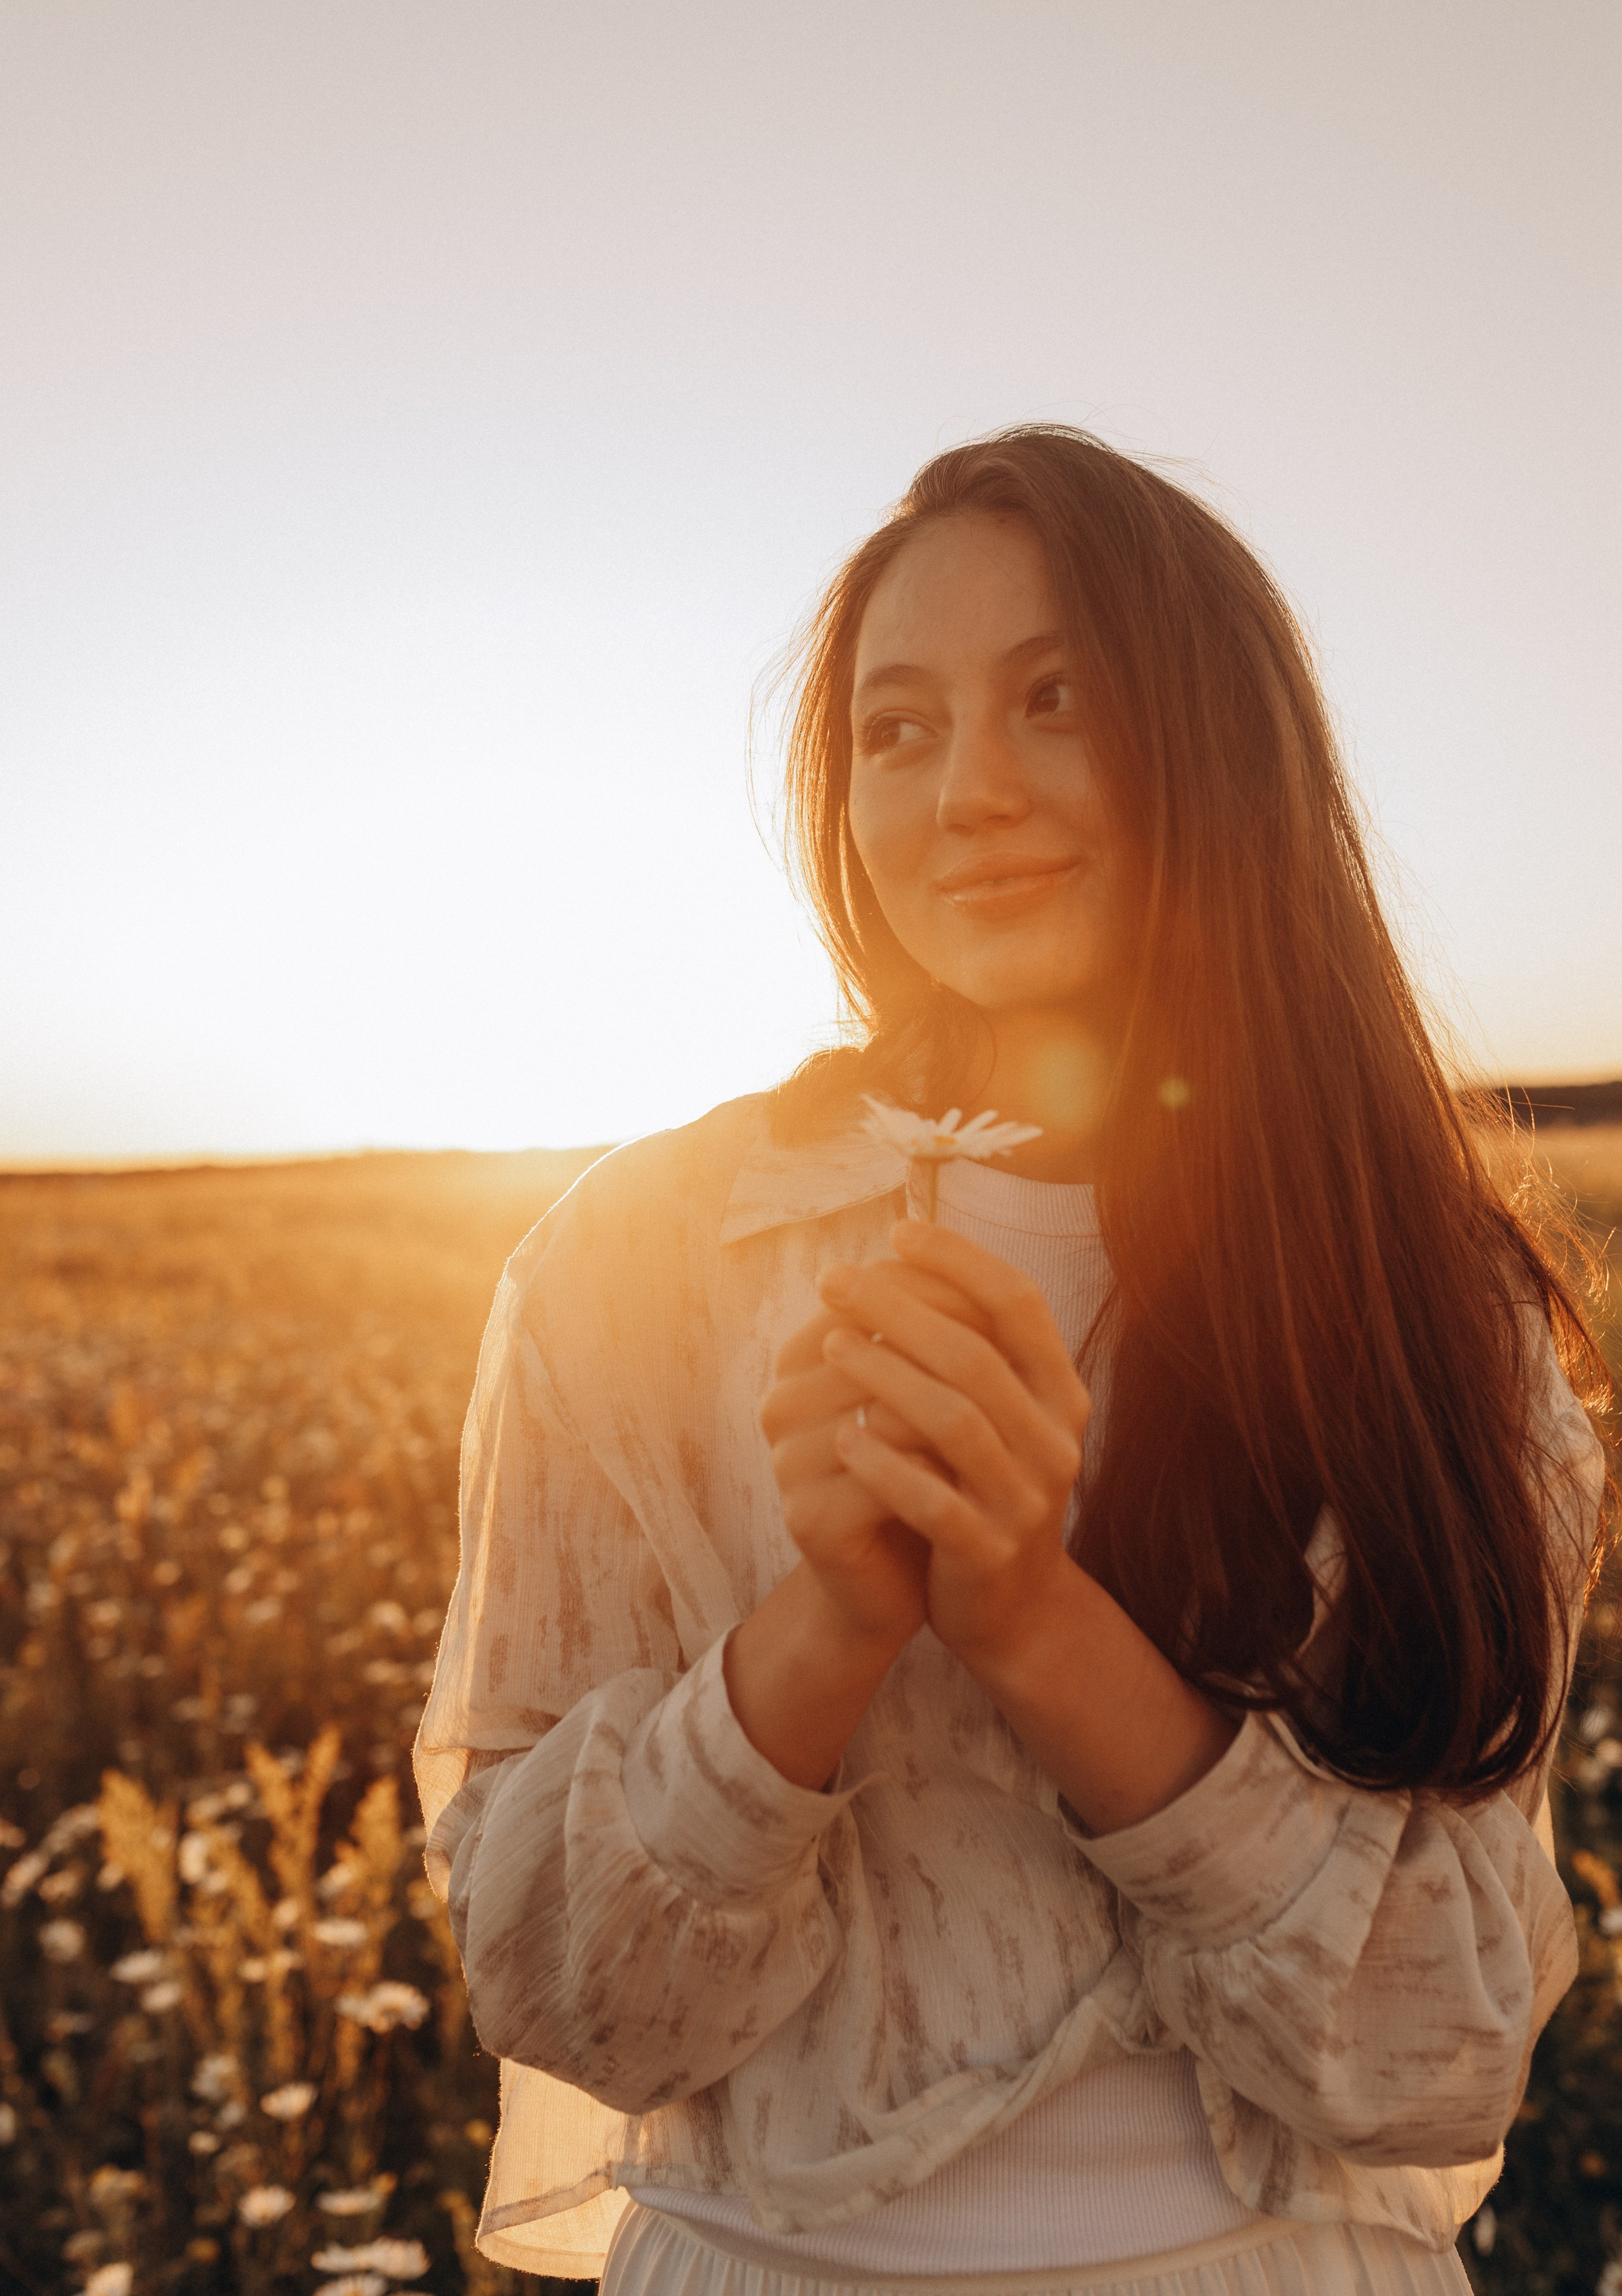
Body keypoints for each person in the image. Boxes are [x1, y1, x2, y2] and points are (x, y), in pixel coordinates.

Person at [416, 426, 1609, 2296]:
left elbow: (1435, 2051)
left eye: (1056, 699)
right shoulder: (635, 1262)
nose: (968, 789)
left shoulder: (1422, 1301)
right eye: (897, 729)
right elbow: (567, 1998)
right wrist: (821, 1628)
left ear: (1223, 751)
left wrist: (1037, 1620)